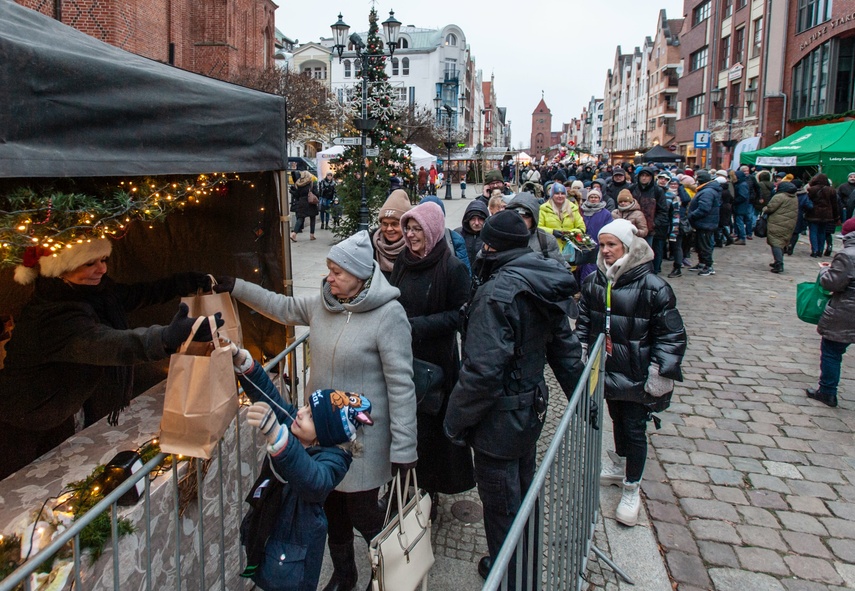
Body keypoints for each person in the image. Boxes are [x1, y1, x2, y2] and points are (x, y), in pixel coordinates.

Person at [214, 231, 418, 591]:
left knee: (365, 514)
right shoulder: (322, 305)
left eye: (338, 272)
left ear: (360, 276)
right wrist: (235, 286)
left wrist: (404, 450)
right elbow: (279, 305)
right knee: (331, 510)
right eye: (328, 269)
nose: (329, 277)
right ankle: (344, 574)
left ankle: (386, 571)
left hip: (362, 444)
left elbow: (401, 385)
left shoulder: (389, 315)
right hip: (319, 438)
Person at [444, 210, 584, 586]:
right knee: (521, 494)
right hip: (528, 410)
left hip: (499, 420)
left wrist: (455, 420)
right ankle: (520, 562)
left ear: (492, 245)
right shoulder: (537, 277)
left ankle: (513, 576)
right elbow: (566, 348)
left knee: (503, 504)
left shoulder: (499, 291)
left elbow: (483, 373)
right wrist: (583, 399)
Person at [0, 239, 217, 479]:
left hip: (60, 410)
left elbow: (135, 295)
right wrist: (165, 338)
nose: (102, 269)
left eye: (103, 260)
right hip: (23, 421)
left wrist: (181, 283)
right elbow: (107, 344)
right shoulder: (53, 315)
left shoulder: (95, 293)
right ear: (60, 269)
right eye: (89, 263)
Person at [231, 344, 373, 591]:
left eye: (310, 415)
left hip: (293, 559)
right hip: (270, 533)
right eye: (306, 406)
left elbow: (313, 480)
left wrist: (278, 437)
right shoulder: (301, 429)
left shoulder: (333, 463)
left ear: (324, 436)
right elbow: (270, 398)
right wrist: (244, 364)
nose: (301, 413)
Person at [578, 219, 686, 527]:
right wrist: (582, 350)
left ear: (628, 246)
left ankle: (632, 487)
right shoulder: (596, 282)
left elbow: (671, 335)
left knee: (635, 429)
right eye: (602, 245)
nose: (606, 251)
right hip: (608, 370)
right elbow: (585, 321)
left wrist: (659, 371)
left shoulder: (654, 287)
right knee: (617, 419)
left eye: (612, 245)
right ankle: (621, 465)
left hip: (638, 372)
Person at [390, 202, 475, 518]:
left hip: (435, 362)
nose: (410, 235)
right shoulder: (403, 260)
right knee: (403, 421)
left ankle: (429, 489)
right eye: (408, 228)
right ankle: (401, 483)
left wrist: (418, 326)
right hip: (402, 355)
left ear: (432, 231)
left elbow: (460, 315)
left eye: (416, 229)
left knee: (429, 428)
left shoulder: (452, 269)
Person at [807, 217, 855, 408]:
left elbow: (832, 283)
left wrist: (824, 272)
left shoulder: (848, 255)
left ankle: (827, 392)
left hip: (847, 311)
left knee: (832, 351)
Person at [506, 192, 565, 265]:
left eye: (525, 216)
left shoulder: (545, 240)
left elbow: (563, 270)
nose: (520, 220)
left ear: (534, 218)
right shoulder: (499, 237)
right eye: (516, 215)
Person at [630, 167, 669, 274]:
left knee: (647, 253)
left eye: (647, 176)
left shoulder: (657, 191)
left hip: (649, 228)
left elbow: (663, 210)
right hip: (633, 227)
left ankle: (648, 273)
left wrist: (653, 223)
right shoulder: (633, 188)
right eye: (642, 175)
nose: (644, 178)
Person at [371, 189, 412, 280]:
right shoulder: (370, 246)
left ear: (405, 225)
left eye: (394, 224)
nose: (389, 229)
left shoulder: (414, 248)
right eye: (385, 224)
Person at [687, 170, 722, 276]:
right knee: (700, 244)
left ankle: (708, 265)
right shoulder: (706, 190)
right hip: (704, 223)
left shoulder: (707, 191)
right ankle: (702, 263)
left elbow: (704, 208)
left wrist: (691, 215)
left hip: (705, 223)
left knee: (705, 245)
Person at [578, 188, 614, 281]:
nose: (593, 199)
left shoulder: (606, 213)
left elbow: (608, 229)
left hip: (598, 245)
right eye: (591, 197)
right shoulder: (581, 211)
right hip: (582, 244)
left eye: (596, 197)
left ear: (600, 199)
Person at [538, 182, 586, 250]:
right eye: (557, 193)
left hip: (569, 249)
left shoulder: (573, 208)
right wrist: (552, 232)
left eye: (562, 193)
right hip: (550, 248)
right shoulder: (543, 209)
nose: (560, 196)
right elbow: (538, 228)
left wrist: (569, 233)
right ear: (552, 195)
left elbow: (581, 228)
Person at [763, 181, 798, 274]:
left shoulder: (779, 196)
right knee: (781, 242)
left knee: (776, 243)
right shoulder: (794, 197)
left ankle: (779, 264)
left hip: (777, 223)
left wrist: (764, 209)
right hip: (789, 223)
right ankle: (777, 261)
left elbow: (770, 208)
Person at [805, 173, 840, 257]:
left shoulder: (811, 189)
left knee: (813, 232)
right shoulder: (831, 190)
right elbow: (835, 205)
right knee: (822, 232)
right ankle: (820, 250)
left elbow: (807, 202)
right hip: (827, 215)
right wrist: (836, 217)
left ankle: (814, 250)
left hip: (813, 213)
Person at [456, 200, 490, 264]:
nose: (476, 223)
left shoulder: (490, 237)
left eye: (480, 219)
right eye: (473, 219)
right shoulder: (457, 235)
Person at [291, 171, 319, 242]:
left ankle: (294, 233)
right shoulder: (312, 183)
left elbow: (297, 195)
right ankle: (312, 235)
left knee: (300, 218)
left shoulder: (298, 183)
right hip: (310, 203)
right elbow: (316, 193)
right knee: (312, 218)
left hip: (301, 202)